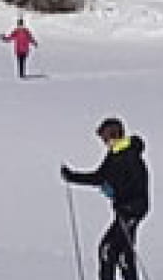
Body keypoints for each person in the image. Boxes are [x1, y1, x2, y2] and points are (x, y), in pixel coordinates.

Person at [61, 117, 149, 280]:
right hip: (123, 210)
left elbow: (137, 185)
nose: (103, 141)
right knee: (112, 251)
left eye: (105, 137)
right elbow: (100, 177)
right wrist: (72, 177)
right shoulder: (114, 155)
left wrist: (118, 194)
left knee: (115, 251)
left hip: (132, 210)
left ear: (114, 134)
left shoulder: (130, 155)